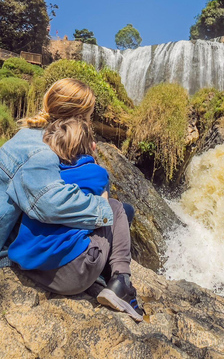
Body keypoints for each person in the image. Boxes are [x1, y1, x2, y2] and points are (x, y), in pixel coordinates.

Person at [0, 78, 144, 321]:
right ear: (79, 117)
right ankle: (120, 281)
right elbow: (49, 203)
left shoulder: (30, 135)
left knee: (112, 210)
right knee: (116, 209)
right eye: (89, 116)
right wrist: (103, 206)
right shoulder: (41, 152)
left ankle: (109, 274)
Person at [8, 117, 144, 321]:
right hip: (72, 277)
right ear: (91, 146)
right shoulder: (97, 173)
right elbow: (102, 215)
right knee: (117, 209)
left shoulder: (48, 172)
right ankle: (120, 281)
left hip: (31, 268)